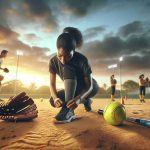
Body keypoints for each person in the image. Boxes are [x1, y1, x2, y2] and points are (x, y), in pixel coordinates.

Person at [49, 27, 99, 123]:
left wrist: (79, 98)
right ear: (56, 50)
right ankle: (86, 101)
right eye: (60, 56)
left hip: (88, 88)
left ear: (74, 51)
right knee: (52, 100)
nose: (63, 60)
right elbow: (52, 84)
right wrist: (55, 98)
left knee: (68, 67)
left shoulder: (82, 59)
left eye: (68, 56)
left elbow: (90, 86)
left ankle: (69, 111)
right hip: (72, 90)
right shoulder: (52, 61)